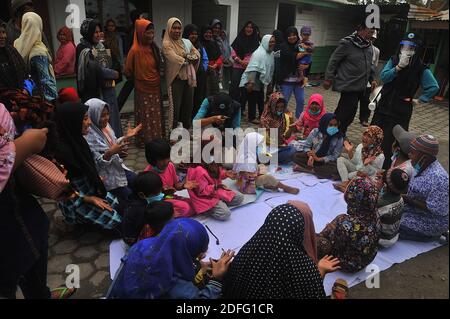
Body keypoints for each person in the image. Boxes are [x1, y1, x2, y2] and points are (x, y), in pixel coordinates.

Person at [0, 103, 77, 299]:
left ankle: (40, 294)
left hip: (16, 199)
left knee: (35, 243)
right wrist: (25, 145)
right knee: (16, 261)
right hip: (6, 213)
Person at [223, 204, 341, 299]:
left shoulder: (246, 254)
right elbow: (310, 293)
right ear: (299, 232)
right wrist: (321, 270)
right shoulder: (303, 268)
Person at [107, 218, 235, 299]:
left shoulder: (141, 246)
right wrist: (216, 280)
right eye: (199, 252)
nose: (204, 255)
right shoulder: (176, 286)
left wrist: (199, 265)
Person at [371, 33, 439, 169]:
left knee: (391, 143)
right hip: (383, 107)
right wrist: (397, 68)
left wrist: (421, 99)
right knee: (374, 136)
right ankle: (368, 163)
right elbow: (384, 77)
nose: (406, 50)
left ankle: (386, 171)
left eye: (410, 47)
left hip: (400, 111)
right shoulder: (394, 60)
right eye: (404, 46)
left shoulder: (420, 68)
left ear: (416, 50)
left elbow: (433, 86)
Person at [54, 102, 123, 231]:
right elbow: (60, 190)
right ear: (72, 122)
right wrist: (88, 198)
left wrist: (96, 179)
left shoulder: (79, 141)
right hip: (77, 200)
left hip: (92, 191)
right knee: (117, 224)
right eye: (85, 119)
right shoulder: (60, 153)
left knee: (122, 208)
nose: (90, 122)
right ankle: (72, 222)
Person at [323, 20, 377, 135]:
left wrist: (372, 79)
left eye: (373, 29)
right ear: (361, 28)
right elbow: (334, 61)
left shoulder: (368, 46)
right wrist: (328, 78)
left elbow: (369, 65)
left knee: (348, 114)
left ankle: (336, 133)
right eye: (370, 29)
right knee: (345, 113)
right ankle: (333, 134)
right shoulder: (347, 43)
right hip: (349, 84)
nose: (372, 31)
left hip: (361, 86)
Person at [317, 177, 380, 273]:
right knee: (338, 224)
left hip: (350, 264)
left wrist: (329, 231)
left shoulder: (345, 222)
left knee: (321, 243)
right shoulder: (375, 213)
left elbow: (337, 244)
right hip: (368, 258)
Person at [84, 98, 141, 202]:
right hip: (107, 178)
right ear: (92, 116)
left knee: (141, 183)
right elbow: (97, 165)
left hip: (118, 168)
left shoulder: (105, 127)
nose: (106, 118)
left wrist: (126, 137)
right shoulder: (88, 136)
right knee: (131, 198)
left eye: (107, 114)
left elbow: (113, 144)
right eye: (102, 115)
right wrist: (110, 153)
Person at [76, 19, 122, 137]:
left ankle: (114, 141)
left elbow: (109, 63)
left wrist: (113, 72)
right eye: (95, 32)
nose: (98, 34)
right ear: (88, 32)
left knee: (109, 116)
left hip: (106, 89)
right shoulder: (83, 49)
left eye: (99, 31)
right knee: (96, 119)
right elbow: (94, 69)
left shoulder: (101, 46)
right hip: (92, 91)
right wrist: (112, 73)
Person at [400, 135, 448, 241]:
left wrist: (409, 200)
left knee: (391, 225)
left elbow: (438, 210)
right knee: (387, 213)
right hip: (415, 210)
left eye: (412, 153)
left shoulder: (439, 179)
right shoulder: (419, 166)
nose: (409, 155)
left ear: (424, 157)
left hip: (431, 221)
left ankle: (432, 236)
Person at [125, 18, 163, 146]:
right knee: (145, 116)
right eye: (148, 33)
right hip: (142, 89)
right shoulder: (134, 51)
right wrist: (139, 78)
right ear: (141, 33)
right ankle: (145, 140)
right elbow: (128, 71)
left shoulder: (154, 48)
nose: (151, 35)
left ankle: (156, 138)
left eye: (152, 32)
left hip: (155, 87)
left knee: (155, 115)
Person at [162, 17, 200, 129]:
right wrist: (188, 58)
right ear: (169, 29)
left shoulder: (185, 42)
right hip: (176, 79)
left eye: (179, 28)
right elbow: (174, 59)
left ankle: (186, 130)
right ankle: (173, 133)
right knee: (175, 108)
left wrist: (189, 57)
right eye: (174, 28)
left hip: (188, 78)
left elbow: (196, 53)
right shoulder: (166, 43)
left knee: (188, 106)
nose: (177, 31)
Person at [144, 138, 197, 218]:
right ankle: (168, 217)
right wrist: (164, 193)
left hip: (171, 198)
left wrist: (183, 185)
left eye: (167, 157)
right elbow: (152, 201)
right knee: (186, 208)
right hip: (160, 204)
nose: (166, 161)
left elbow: (176, 185)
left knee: (195, 204)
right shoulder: (148, 175)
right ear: (152, 160)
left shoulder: (170, 166)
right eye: (161, 159)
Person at [233, 132, 299, 194]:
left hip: (265, 158)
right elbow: (249, 176)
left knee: (262, 166)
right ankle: (286, 188)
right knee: (268, 178)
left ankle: (269, 184)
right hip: (247, 182)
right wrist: (258, 174)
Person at [121, 171, 174, 246]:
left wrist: (165, 193)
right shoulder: (139, 209)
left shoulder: (138, 198)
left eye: (160, 191)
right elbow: (153, 221)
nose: (160, 195)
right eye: (157, 194)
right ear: (141, 194)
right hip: (133, 239)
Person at [14, 12, 57, 102]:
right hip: (42, 100)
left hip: (29, 96)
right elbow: (45, 80)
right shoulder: (38, 50)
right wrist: (54, 102)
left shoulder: (18, 44)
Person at [292, 113, 343, 180]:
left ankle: (307, 170)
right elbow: (307, 146)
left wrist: (319, 159)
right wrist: (310, 155)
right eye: (330, 125)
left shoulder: (339, 137)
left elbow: (335, 156)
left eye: (335, 125)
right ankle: (319, 172)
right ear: (324, 124)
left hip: (326, 161)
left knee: (335, 167)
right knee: (295, 156)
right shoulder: (316, 132)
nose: (333, 127)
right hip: (313, 158)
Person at [334, 125, 385, 191]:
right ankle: (346, 183)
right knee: (340, 159)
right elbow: (355, 162)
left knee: (349, 175)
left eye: (369, 136)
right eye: (364, 134)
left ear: (375, 139)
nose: (365, 138)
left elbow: (374, 174)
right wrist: (350, 152)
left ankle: (347, 185)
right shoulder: (360, 146)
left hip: (367, 177)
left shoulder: (380, 156)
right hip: (357, 171)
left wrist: (366, 164)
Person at [240, 34, 275, 124]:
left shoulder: (270, 53)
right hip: (254, 79)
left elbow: (271, 68)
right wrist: (251, 83)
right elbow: (253, 68)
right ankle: (252, 117)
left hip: (261, 80)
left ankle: (261, 115)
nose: (272, 43)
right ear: (265, 42)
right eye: (270, 41)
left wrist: (270, 82)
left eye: (274, 41)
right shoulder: (258, 53)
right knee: (253, 98)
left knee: (260, 98)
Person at [230, 21, 260, 116]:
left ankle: (241, 109)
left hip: (248, 68)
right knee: (235, 88)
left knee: (244, 90)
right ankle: (232, 108)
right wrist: (240, 61)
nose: (249, 29)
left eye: (251, 27)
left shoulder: (256, 41)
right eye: (247, 27)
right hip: (237, 67)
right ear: (244, 28)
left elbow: (256, 54)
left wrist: (247, 63)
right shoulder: (239, 38)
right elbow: (233, 52)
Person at [277, 26, 307, 119]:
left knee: (301, 100)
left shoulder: (299, 45)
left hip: (299, 79)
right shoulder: (283, 46)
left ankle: (299, 121)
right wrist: (307, 51)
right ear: (286, 37)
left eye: (294, 35)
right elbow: (292, 56)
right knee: (284, 101)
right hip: (287, 80)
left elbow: (305, 59)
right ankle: (281, 120)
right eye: (289, 36)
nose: (292, 37)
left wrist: (306, 65)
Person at [259, 91, 296, 164]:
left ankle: (273, 160)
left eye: (282, 107)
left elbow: (285, 137)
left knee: (293, 150)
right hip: (267, 149)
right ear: (272, 106)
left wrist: (291, 129)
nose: (280, 109)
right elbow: (264, 139)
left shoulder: (285, 117)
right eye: (277, 107)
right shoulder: (265, 119)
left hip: (278, 148)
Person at [378, 168, 410, 248]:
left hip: (380, 240)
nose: (378, 181)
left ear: (384, 185)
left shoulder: (381, 204)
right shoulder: (401, 199)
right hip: (393, 238)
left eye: (380, 179)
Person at [183, 24, 208, 118]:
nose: (194, 36)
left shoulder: (200, 46)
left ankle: (197, 117)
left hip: (200, 76)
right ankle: (187, 118)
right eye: (191, 34)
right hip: (187, 76)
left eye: (196, 34)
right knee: (188, 99)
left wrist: (202, 69)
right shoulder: (182, 45)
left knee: (199, 97)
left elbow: (205, 59)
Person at [0, 19, 30, 94]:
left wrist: (26, 89)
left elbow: (27, 75)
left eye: (3, 32)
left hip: (21, 97)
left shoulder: (12, 51)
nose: (2, 36)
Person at [359, 30, 380, 127]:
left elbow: (373, 67)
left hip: (368, 79)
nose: (370, 40)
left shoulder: (376, 51)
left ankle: (364, 118)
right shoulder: (359, 47)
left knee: (366, 100)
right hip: (357, 79)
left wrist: (373, 80)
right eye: (369, 38)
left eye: (372, 39)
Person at [200, 25, 222, 97]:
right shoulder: (199, 44)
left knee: (215, 90)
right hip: (203, 70)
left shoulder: (214, 43)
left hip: (214, 69)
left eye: (210, 33)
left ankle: (214, 106)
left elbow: (220, 56)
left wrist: (215, 65)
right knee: (206, 90)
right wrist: (207, 66)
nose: (208, 34)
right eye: (206, 33)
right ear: (202, 33)